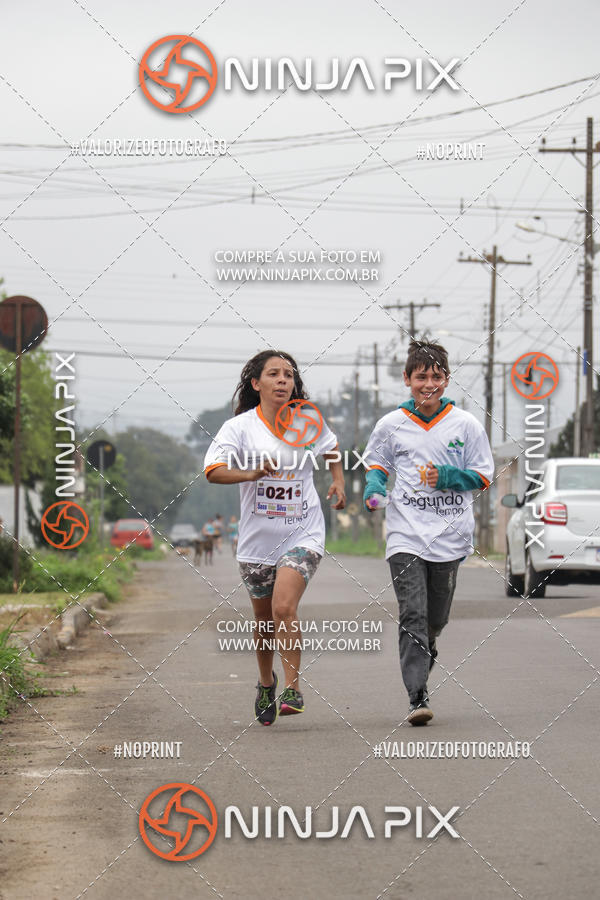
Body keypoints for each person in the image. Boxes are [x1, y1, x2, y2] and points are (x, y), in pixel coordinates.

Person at [204, 350, 346, 726]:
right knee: (264, 621)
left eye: (289, 374)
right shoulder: (239, 428)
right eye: (274, 374)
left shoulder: (306, 420)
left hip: (304, 532)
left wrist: (337, 481)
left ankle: (293, 688)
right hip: (256, 542)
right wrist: (249, 475)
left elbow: (331, 449)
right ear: (256, 383)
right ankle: (266, 681)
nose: (284, 380)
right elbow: (213, 471)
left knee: (285, 607)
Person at [363, 340, 494, 726]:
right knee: (412, 613)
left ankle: (428, 645)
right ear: (407, 379)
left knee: (435, 620)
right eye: (421, 377)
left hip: (450, 538)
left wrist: (450, 477)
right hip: (405, 535)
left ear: (447, 380)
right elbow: (377, 465)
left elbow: (484, 475)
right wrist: (373, 489)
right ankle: (416, 696)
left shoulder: (466, 424)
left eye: (436, 377)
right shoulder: (391, 424)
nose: (429, 384)